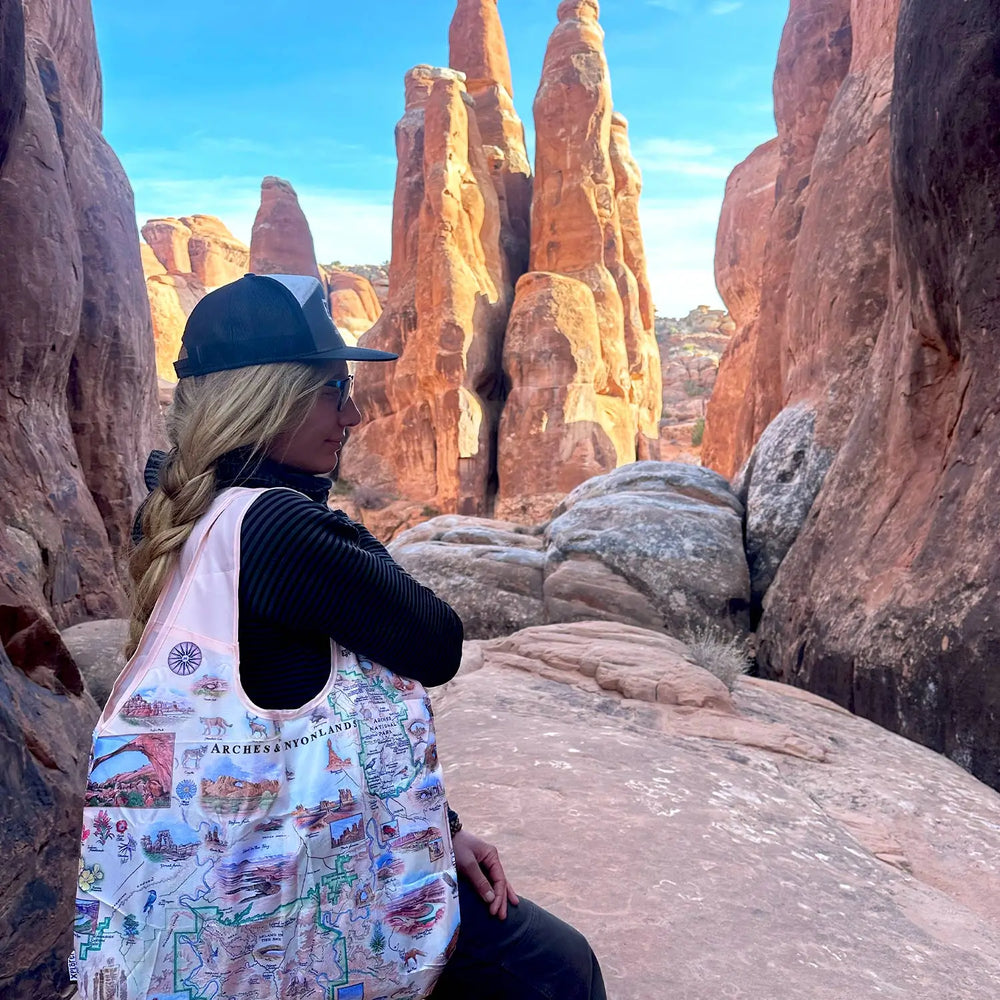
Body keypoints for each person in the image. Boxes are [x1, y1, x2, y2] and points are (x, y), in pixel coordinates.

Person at [75, 273, 605, 999]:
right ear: (267, 398)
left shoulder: (184, 504)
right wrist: (324, 506)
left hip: (234, 877)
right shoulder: (280, 525)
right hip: (303, 885)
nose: (353, 416)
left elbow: (328, 691)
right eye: (334, 391)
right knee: (553, 969)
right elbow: (434, 642)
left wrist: (441, 831)